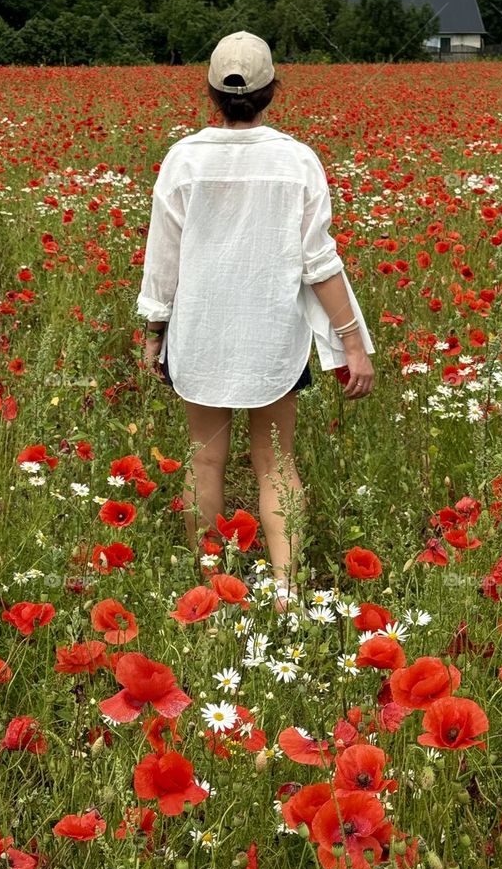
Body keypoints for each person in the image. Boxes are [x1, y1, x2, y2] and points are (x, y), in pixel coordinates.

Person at [136, 31, 375, 606]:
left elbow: (162, 255)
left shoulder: (184, 158)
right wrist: (353, 343)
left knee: (205, 457)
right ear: (272, 90)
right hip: (272, 336)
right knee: (275, 459)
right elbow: (319, 262)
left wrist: (153, 331)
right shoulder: (297, 160)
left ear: (211, 93)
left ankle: (206, 588)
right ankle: (286, 590)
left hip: (200, 334)